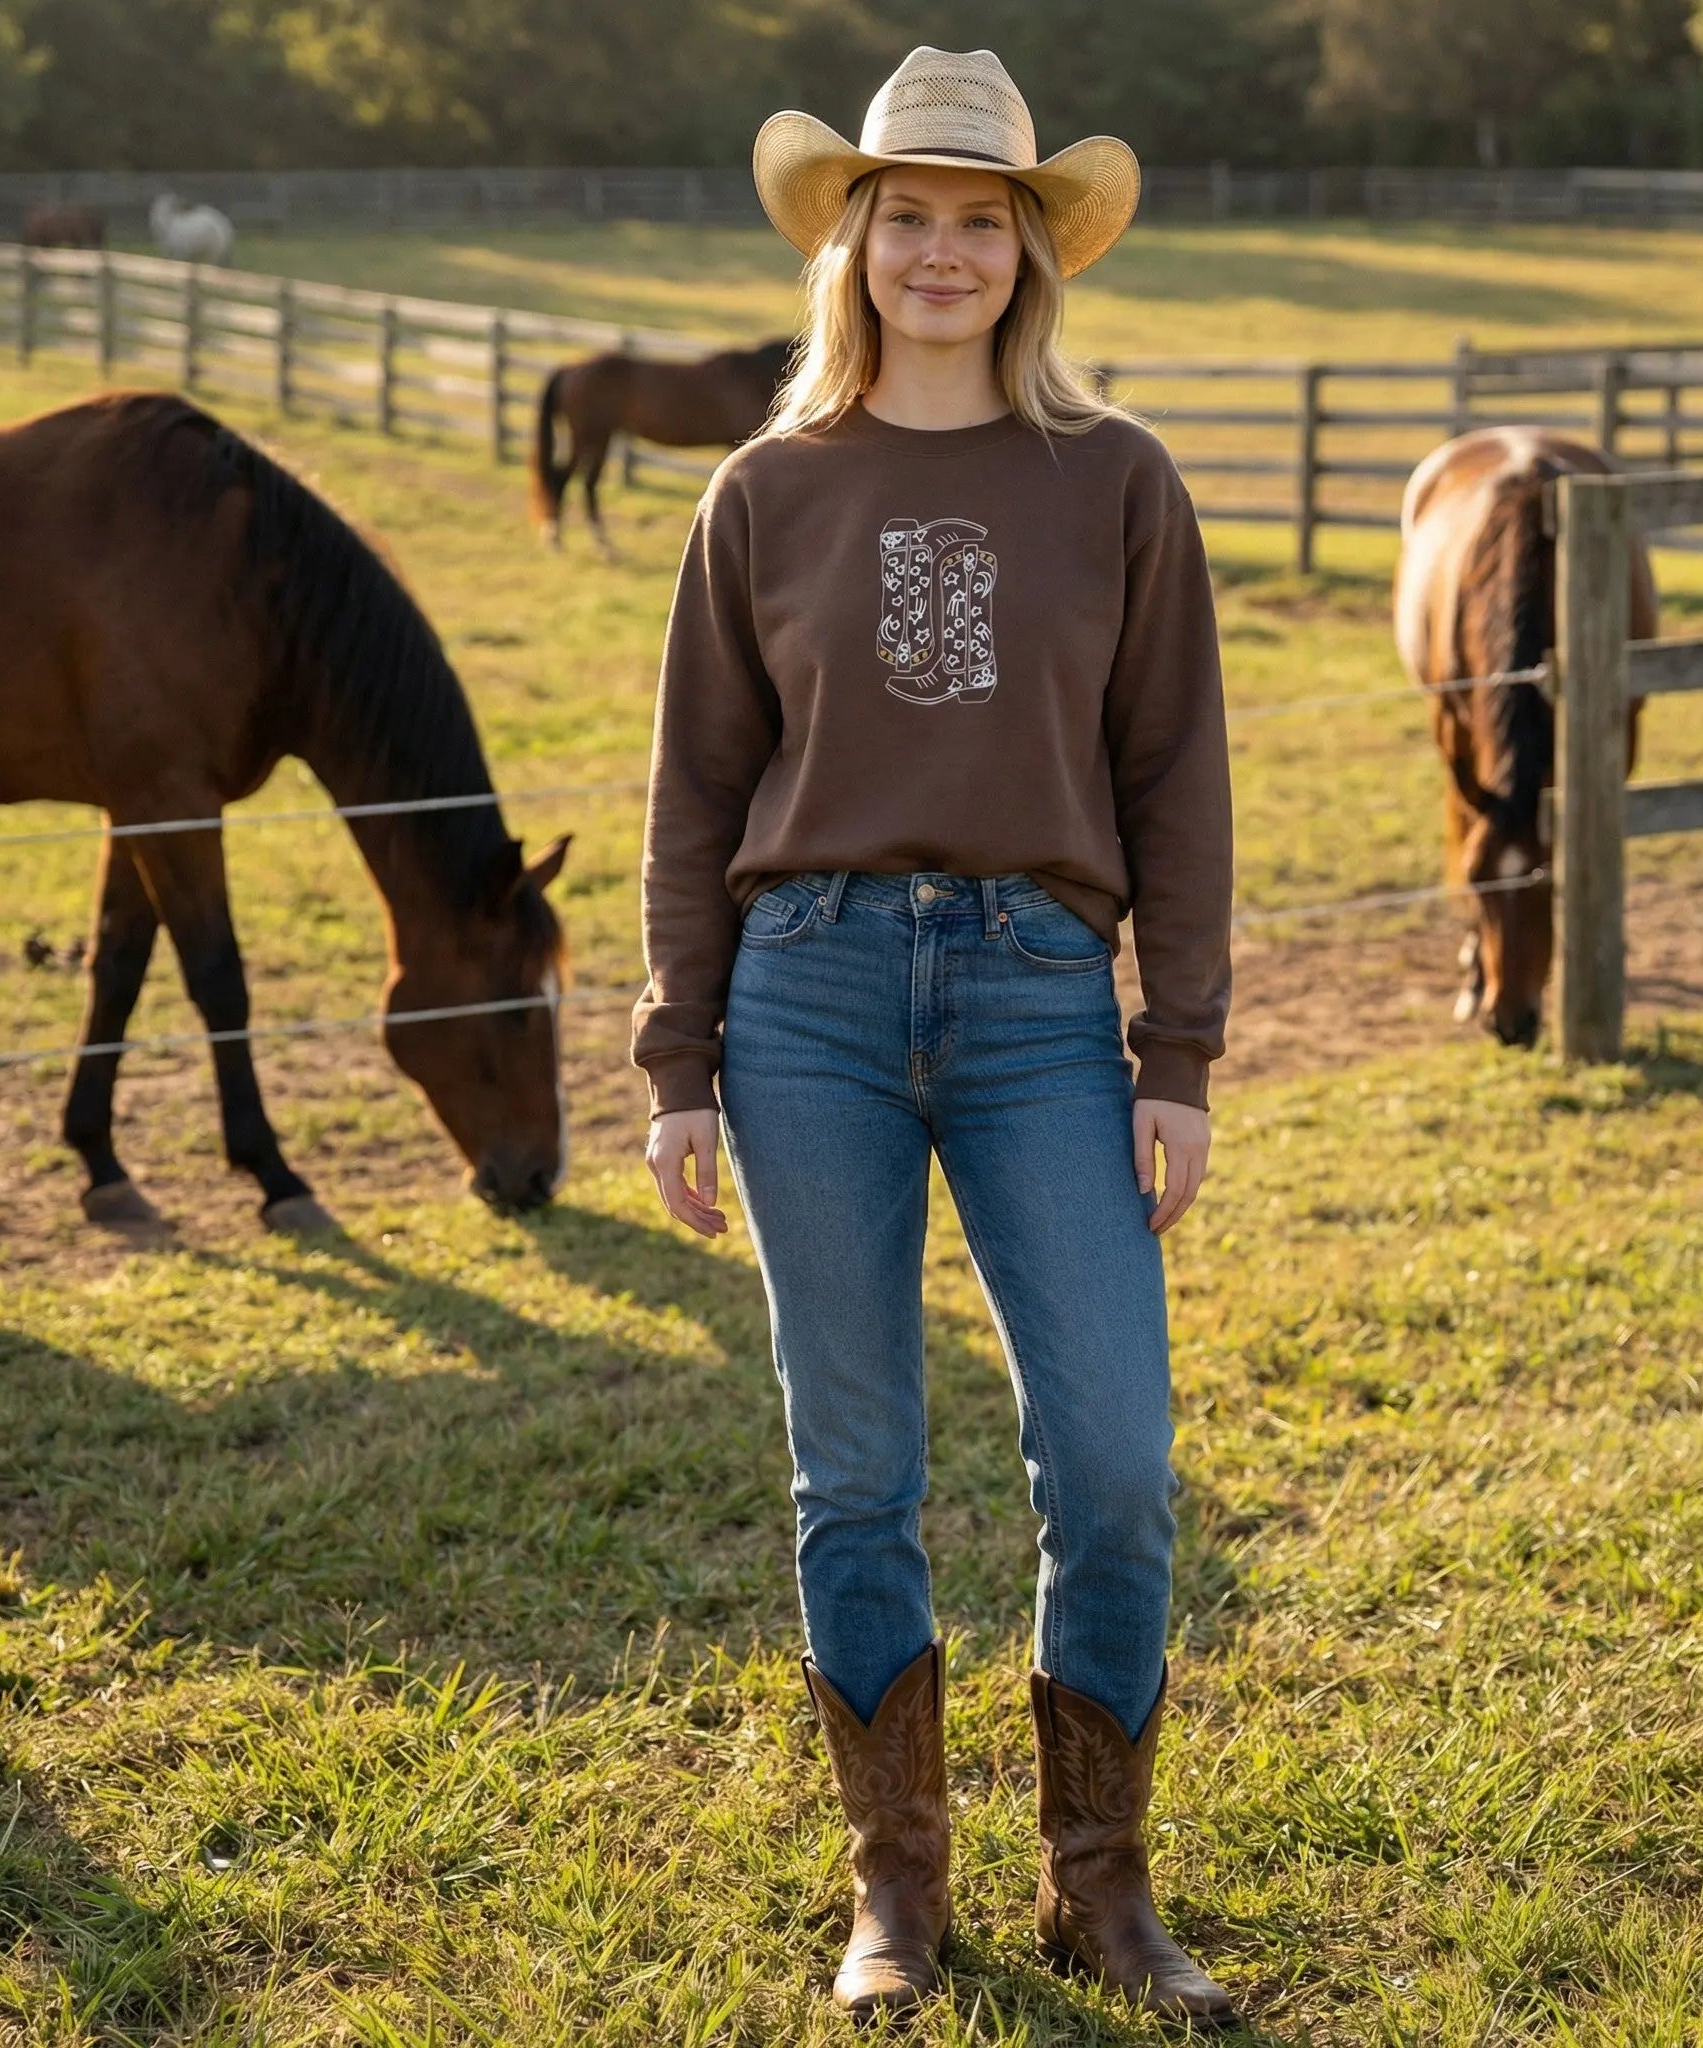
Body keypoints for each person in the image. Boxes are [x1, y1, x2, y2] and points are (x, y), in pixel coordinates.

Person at [632, 45, 1235, 2026]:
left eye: (984, 219)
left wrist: (1177, 1053)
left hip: (1040, 998)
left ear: (1033, 251)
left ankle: (1102, 1890)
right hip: (802, 994)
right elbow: (693, 794)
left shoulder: (1117, 480)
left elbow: (1176, 776)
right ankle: (896, 1890)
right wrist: (678, 1060)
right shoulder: (764, 490)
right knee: (857, 1467)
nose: (945, 252)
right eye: (910, 216)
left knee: (1117, 1460)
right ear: (855, 240)